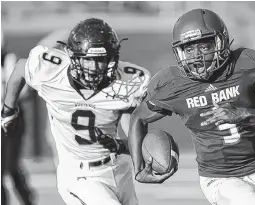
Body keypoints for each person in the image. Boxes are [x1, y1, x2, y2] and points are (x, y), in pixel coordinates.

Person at [128, 8, 255, 205]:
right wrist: (139, 168)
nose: (195, 56)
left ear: (221, 42)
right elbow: (138, 117)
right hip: (222, 179)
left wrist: (244, 114)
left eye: (203, 47)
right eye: (189, 49)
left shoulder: (244, 65)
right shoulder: (172, 84)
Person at [1, 18, 150, 205]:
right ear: (72, 56)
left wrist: (141, 152)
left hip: (118, 169)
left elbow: (131, 134)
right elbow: (20, 68)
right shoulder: (51, 71)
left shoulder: (125, 83)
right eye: (88, 60)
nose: (94, 67)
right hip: (80, 175)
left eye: (101, 60)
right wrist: (9, 109)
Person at [1, 30, 35, 205]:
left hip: (8, 121)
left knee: (10, 167)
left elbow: (23, 93)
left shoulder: (10, 61)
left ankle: (28, 201)